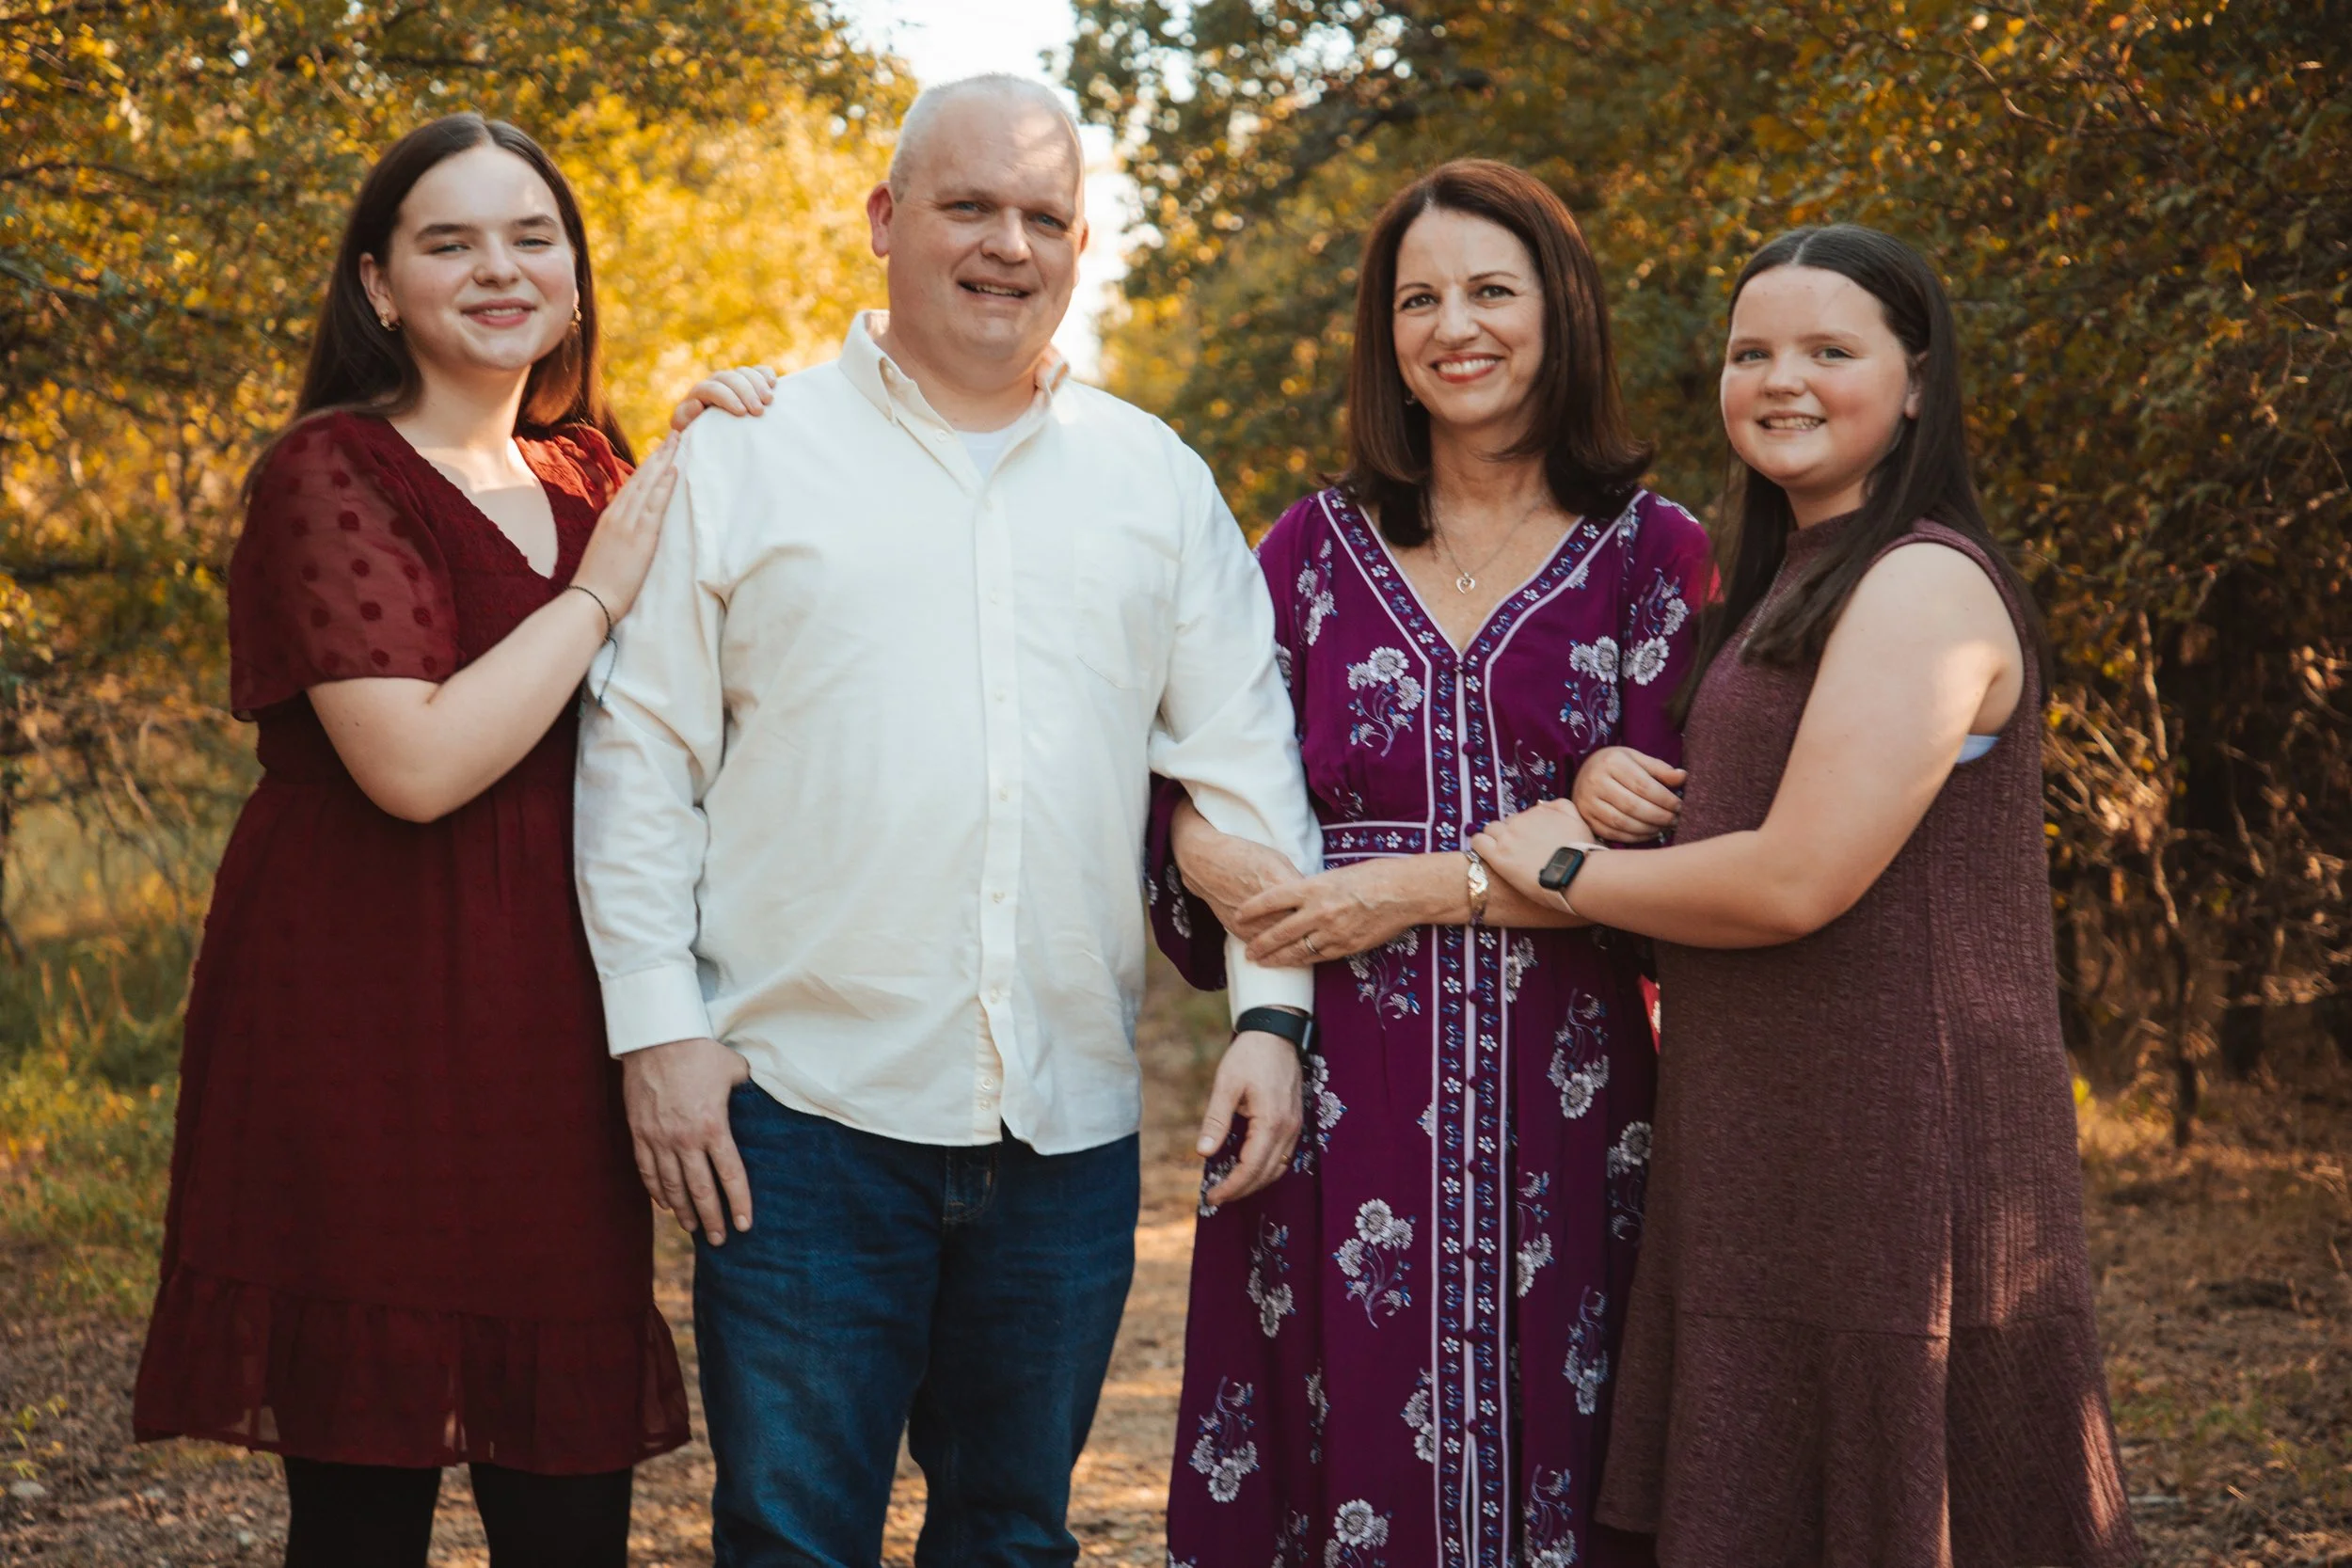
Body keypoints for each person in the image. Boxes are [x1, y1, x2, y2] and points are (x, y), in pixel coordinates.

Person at [570, 74, 1320, 1566]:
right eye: (969, 206)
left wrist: (1273, 1015)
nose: (1006, 246)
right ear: (884, 219)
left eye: (1043, 216)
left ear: (1081, 243)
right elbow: (639, 752)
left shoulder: (1151, 479)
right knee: (792, 1538)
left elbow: (1244, 765)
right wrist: (658, 1030)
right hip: (798, 1117)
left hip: (1065, 1118)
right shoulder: (745, 451)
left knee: (1013, 1536)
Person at [132, 112, 774, 1567]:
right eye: (450, 241)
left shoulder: (599, 473)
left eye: (531, 235)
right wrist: (598, 597)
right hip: (361, 1015)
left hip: (552, 1021)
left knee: (570, 1492)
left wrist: (732, 435)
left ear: (574, 273)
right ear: (378, 286)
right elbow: (414, 764)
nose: (501, 268)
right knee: (364, 1503)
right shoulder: (331, 474)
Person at [1473, 223, 2140, 1566]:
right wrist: (1618, 773)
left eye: (1831, 349)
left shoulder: (1924, 581)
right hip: (1777, 1135)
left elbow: (1795, 877)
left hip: (1896, 1146)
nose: (1781, 379)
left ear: (1916, 384)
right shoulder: (1801, 574)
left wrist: (1554, 865)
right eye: (1751, 351)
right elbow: (1754, 796)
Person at [1149, 160, 1712, 1568]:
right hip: (1336, 1089)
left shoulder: (1656, 556)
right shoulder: (1309, 553)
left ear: (1561, 312)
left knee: (1566, 1463)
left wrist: (1413, 883)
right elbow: (1194, 792)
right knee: (1339, 1455)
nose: (1454, 325)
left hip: (1572, 1107)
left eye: (1490, 291)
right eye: (1418, 299)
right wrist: (1216, 859)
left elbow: (1688, 851)